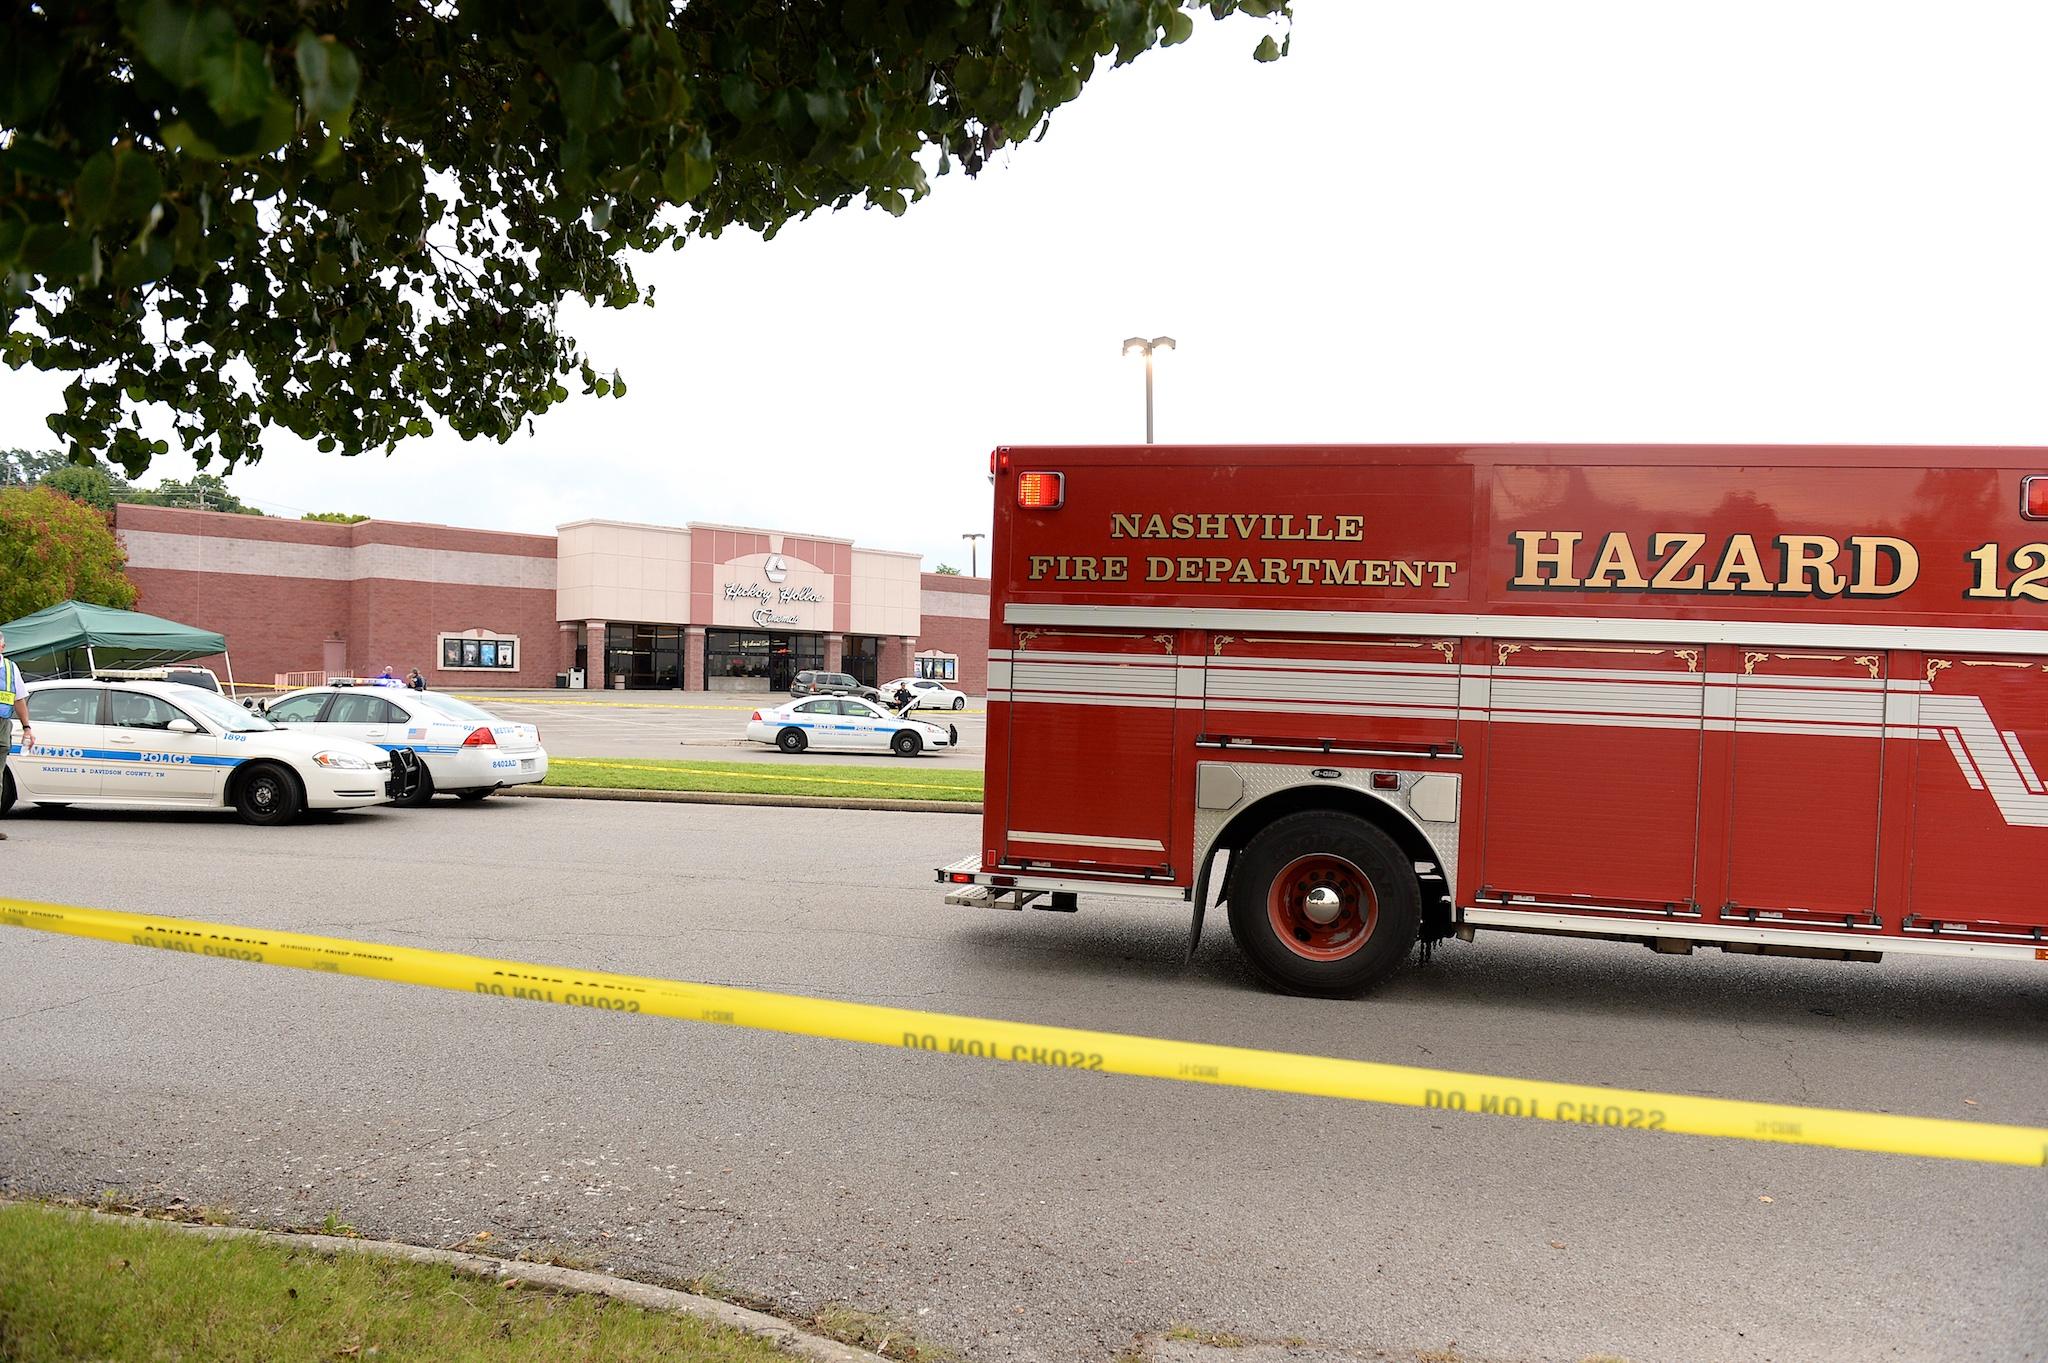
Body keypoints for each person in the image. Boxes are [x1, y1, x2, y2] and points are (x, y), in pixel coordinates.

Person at [0, 629, 33, 842]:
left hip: (2, 727)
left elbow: (19, 699)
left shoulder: (11, 669)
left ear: (2, 646)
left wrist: (27, 727)